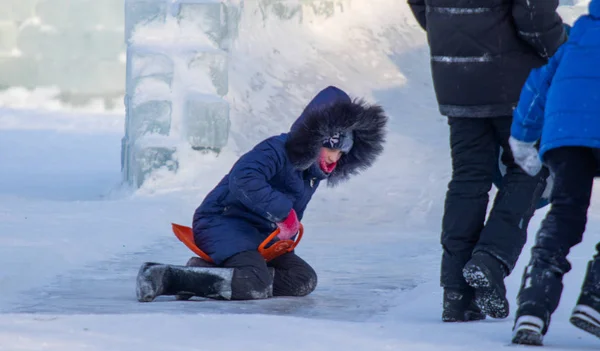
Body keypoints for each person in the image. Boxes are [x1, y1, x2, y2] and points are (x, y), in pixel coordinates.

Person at [136, 86, 387, 302]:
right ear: (313, 139)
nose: (334, 158)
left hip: (260, 236)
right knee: (255, 283)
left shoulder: (312, 173)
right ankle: (167, 277)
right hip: (222, 222)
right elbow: (243, 179)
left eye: (342, 152)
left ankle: (211, 272)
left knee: (302, 280)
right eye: (329, 148)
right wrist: (282, 214)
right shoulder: (275, 150)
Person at [407, 0, 567, 322]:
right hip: (512, 78)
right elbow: (533, 14)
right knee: (531, 169)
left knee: (468, 177)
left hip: (454, 75)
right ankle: (490, 259)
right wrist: (561, 50)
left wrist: (452, 36)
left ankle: (456, 294)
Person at [510, 0, 600, 346]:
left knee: (565, 213)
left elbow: (538, 84)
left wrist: (521, 137)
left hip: (565, 135)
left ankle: (533, 306)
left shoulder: (578, 36)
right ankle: (595, 299)